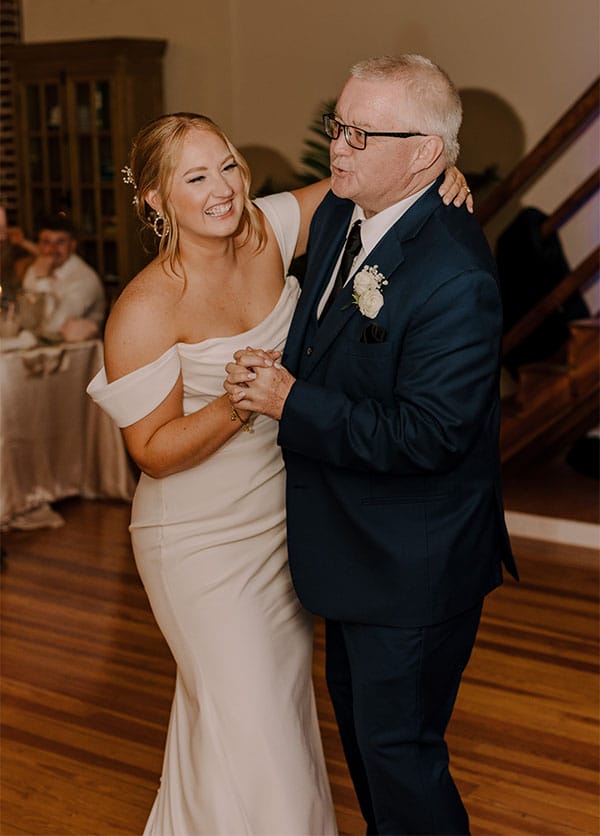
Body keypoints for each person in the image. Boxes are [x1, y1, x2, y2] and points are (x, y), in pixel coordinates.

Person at [85, 110, 471, 834]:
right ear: (156, 200)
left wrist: (432, 172)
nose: (223, 188)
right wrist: (246, 402)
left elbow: (362, 181)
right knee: (252, 724)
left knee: (265, 723)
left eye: (227, 164)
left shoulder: (265, 228)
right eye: (195, 177)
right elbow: (151, 450)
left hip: (284, 520)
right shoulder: (144, 307)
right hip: (199, 539)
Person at [225, 55, 519, 836]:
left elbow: (431, 434)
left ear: (426, 153)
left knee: (401, 756)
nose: (339, 147)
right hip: (352, 550)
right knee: (369, 746)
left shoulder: (455, 274)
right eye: (338, 125)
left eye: (361, 132)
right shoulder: (338, 216)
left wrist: (292, 400)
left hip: (412, 563)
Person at [21, 213, 105, 339]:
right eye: (46, 242)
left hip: (77, 355)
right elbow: (25, 320)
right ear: (39, 245)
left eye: (60, 242)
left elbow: (52, 328)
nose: (52, 249)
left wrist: (43, 280)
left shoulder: (84, 278)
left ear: (72, 245)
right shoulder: (34, 270)